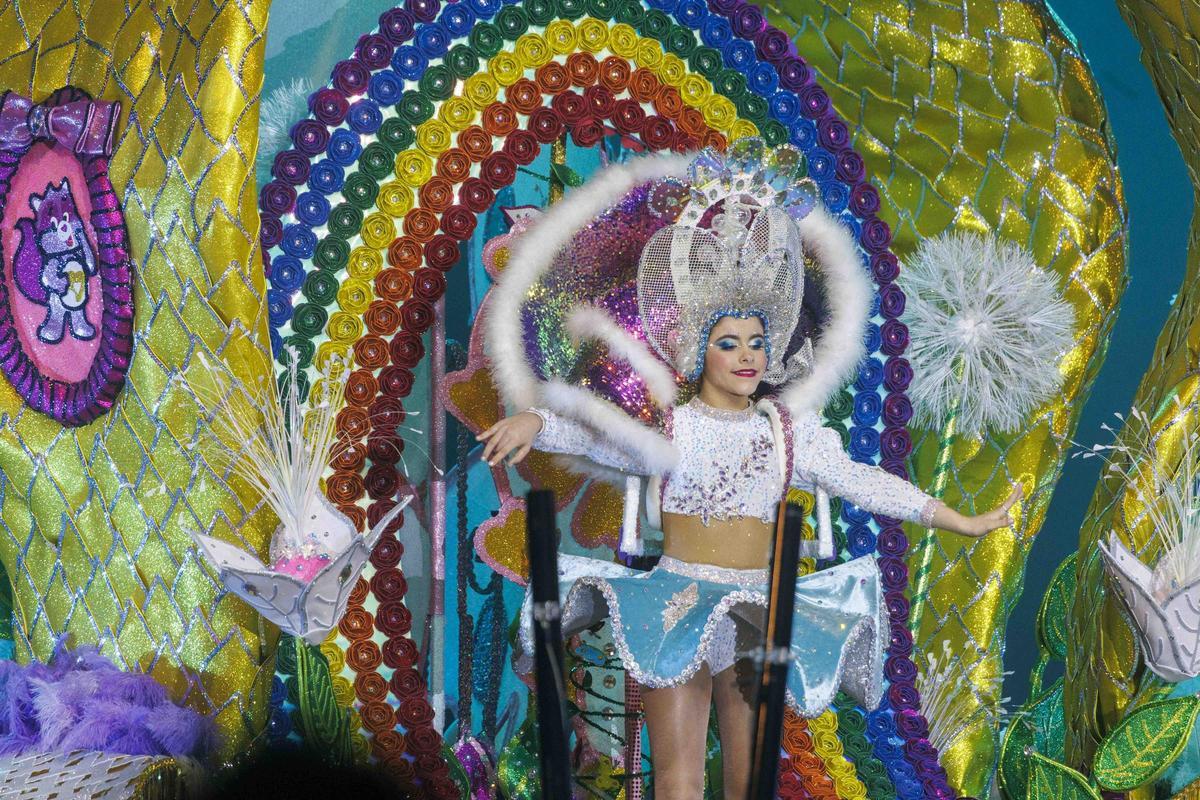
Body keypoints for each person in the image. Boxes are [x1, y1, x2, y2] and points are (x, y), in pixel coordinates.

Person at [478, 140, 1020, 799]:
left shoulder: (790, 433)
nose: (746, 357)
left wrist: (959, 518)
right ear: (698, 351)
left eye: (758, 343)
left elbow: (862, 481)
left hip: (754, 609)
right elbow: (589, 435)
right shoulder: (669, 429)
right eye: (728, 343)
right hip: (674, 603)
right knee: (677, 777)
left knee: (750, 779)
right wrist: (535, 421)